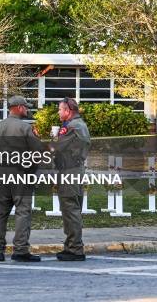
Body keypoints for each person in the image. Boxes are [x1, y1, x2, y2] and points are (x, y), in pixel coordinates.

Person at [0, 95, 47, 262]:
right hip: (21, 173)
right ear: (19, 107)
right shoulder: (25, 128)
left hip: (2, 173)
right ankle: (20, 249)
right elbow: (37, 152)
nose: (27, 109)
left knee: (0, 212)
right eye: (26, 107)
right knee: (22, 211)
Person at [51, 97, 91, 261]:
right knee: (71, 208)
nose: (59, 112)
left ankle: (75, 249)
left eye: (60, 109)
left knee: (70, 208)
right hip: (73, 169)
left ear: (68, 111)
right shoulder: (78, 124)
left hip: (69, 170)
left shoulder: (72, 126)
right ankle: (71, 246)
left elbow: (57, 147)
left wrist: (52, 139)